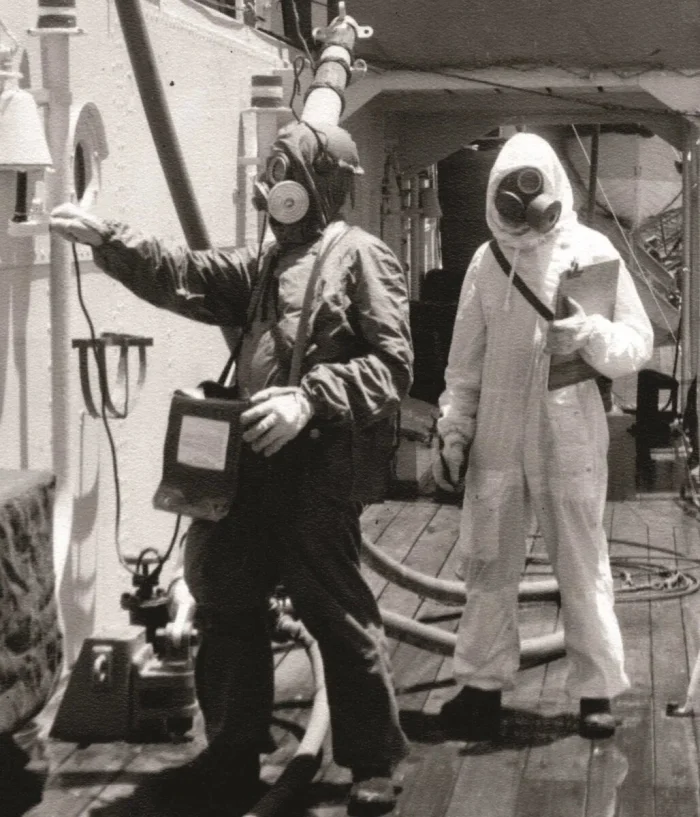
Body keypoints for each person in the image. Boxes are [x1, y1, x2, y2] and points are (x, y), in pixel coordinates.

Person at [50, 120, 412, 816]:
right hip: (247, 469)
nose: (274, 188)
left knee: (335, 611)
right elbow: (184, 272)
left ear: (320, 185)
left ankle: (373, 761)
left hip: (315, 471)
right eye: (273, 174)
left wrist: (311, 397)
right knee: (224, 601)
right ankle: (232, 752)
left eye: (287, 174)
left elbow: (392, 366)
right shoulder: (266, 265)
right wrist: (108, 239)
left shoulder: (364, 257)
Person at [433, 132, 653, 741]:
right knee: (488, 561)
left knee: (582, 561)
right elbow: (463, 365)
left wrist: (590, 334)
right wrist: (454, 431)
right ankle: (480, 688)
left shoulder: (593, 250)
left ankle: (596, 691)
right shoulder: (487, 261)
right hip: (498, 432)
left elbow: (637, 346)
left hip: (569, 425)